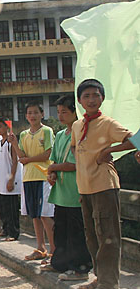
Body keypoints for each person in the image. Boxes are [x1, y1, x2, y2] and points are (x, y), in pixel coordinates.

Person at [71, 79, 135, 289]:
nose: (91, 100)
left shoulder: (107, 123)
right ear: (79, 101)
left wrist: (110, 150)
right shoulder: (77, 125)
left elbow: (134, 140)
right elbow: (75, 147)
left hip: (104, 186)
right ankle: (100, 277)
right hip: (85, 187)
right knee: (92, 236)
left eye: (95, 95)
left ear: (102, 98)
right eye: (86, 96)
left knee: (108, 235)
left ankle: (109, 285)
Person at [43, 95, 92, 279]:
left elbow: (74, 164)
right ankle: (60, 264)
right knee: (61, 231)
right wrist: (52, 172)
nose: (61, 116)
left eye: (65, 111)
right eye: (58, 112)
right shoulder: (62, 135)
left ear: (74, 112)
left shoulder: (80, 134)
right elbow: (55, 160)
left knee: (76, 232)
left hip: (75, 192)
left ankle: (80, 269)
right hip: (61, 192)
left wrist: (54, 167)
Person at [8, 103, 55, 260]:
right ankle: (40, 247)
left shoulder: (47, 131)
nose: (32, 115)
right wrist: (14, 143)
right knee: (35, 214)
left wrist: (29, 159)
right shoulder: (23, 135)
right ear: (26, 116)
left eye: (35, 112)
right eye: (29, 113)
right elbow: (21, 157)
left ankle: (54, 250)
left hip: (43, 177)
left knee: (45, 214)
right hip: (28, 177)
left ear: (42, 114)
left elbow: (48, 154)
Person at [0, 118, 22, 241]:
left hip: (10, 178)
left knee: (11, 207)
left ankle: (13, 232)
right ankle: (5, 228)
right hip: (1, 179)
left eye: (0, 126)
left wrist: (11, 179)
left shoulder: (11, 143)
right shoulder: (1, 142)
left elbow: (14, 161)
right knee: (3, 206)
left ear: (6, 127)